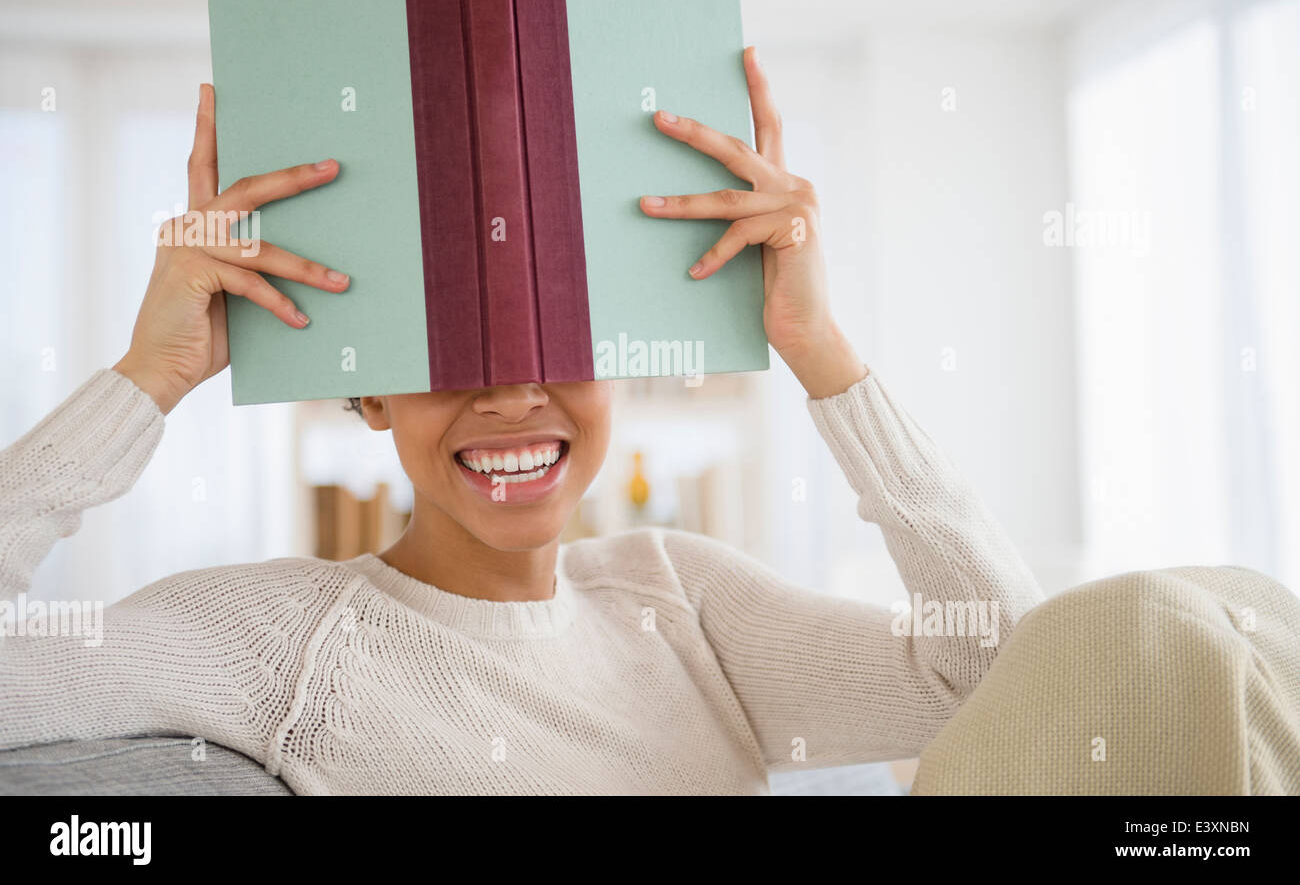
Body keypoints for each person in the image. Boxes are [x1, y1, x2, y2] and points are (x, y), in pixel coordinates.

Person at [0, 46, 1044, 794]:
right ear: (365, 391)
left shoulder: (684, 596)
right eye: (448, 349)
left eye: (560, 337)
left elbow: (1009, 676)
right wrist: (149, 374)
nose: (508, 395)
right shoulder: (279, 639)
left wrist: (821, 351)